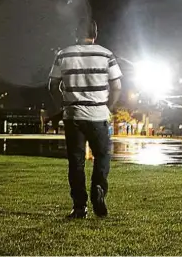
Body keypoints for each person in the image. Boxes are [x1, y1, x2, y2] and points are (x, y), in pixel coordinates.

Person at [48, 19, 122, 219]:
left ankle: (79, 207)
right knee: (103, 156)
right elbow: (117, 87)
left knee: (76, 161)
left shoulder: (63, 54)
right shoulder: (106, 54)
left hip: (73, 116)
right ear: (95, 34)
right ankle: (99, 188)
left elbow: (52, 86)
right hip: (98, 115)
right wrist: (108, 107)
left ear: (75, 33)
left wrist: (63, 105)